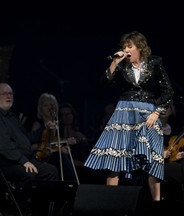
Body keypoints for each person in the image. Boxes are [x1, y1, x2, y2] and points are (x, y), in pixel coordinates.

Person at [84, 31, 174, 204]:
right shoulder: (121, 65)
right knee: (116, 158)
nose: (125, 50)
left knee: (153, 159)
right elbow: (105, 83)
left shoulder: (155, 62)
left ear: (140, 48)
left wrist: (157, 113)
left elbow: (167, 91)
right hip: (124, 113)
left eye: (129, 46)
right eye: (124, 47)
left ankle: (156, 204)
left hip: (148, 114)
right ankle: (110, 204)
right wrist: (114, 62)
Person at [0, 83, 58, 210]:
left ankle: (42, 210)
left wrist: (45, 128)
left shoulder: (12, 116)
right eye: (5, 94)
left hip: (22, 159)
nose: (9, 96)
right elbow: (5, 147)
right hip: (7, 162)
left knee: (51, 171)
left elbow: (26, 139)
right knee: (30, 174)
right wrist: (24, 161)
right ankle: (16, 206)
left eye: (10, 93)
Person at [31, 93, 77, 182]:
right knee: (61, 157)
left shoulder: (60, 126)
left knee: (64, 157)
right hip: (41, 158)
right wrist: (57, 149)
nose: (49, 108)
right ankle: (73, 184)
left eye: (52, 105)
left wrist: (66, 143)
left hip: (54, 157)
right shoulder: (38, 124)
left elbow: (57, 143)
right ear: (40, 108)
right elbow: (36, 147)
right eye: (46, 105)